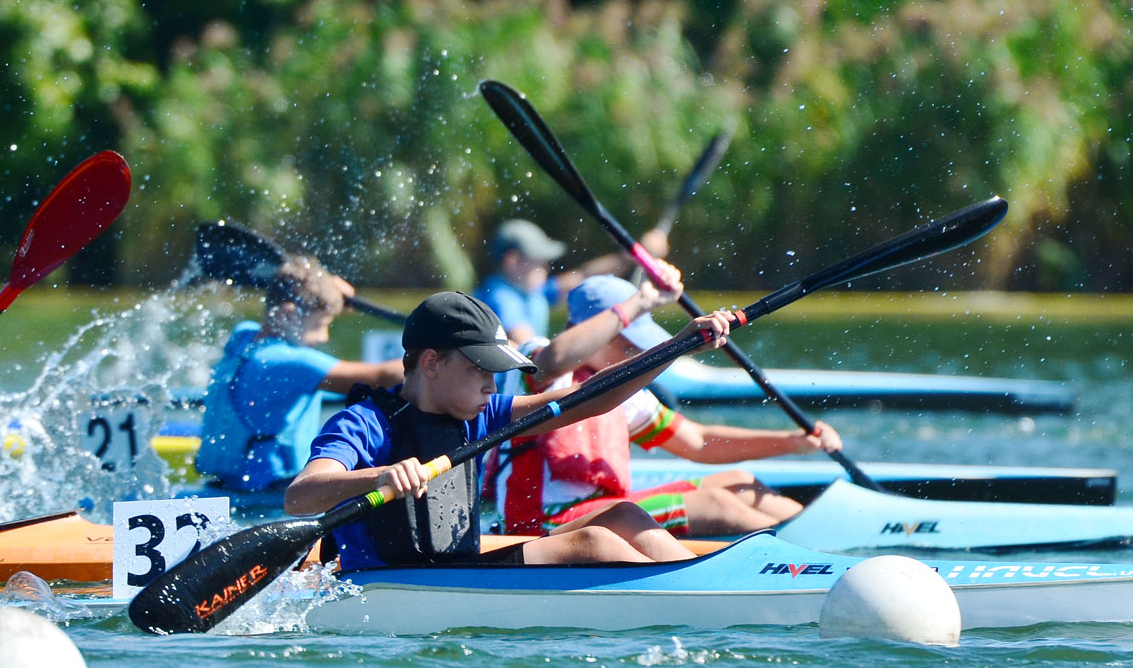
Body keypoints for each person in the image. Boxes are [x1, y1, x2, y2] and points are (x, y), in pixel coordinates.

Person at [283, 291, 735, 572]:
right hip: (393, 580)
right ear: (431, 363)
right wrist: (379, 477)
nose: (491, 385)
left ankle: (714, 587)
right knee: (593, 542)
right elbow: (300, 495)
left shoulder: (481, 412)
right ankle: (691, 598)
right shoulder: (365, 424)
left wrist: (676, 345)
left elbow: (591, 397)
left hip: (456, 562)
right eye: (480, 369)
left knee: (623, 516)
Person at [498, 274, 844, 537]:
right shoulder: (535, 363)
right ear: (597, 331)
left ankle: (824, 542)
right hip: (539, 523)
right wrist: (639, 301)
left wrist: (793, 443)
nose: (638, 354)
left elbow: (698, 441)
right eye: (629, 343)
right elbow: (553, 360)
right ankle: (801, 561)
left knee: (740, 482)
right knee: (716, 505)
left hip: (599, 512)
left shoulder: (623, 392)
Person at [197, 258, 404, 491]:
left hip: (224, 486)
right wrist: (431, 351)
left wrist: (325, 293)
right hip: (268, 497)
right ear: (287, 315)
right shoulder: (289, 363)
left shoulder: (243, 336)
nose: (323, 337)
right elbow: (382, 377)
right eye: (319, 324)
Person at [472, 218, 665, 345]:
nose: (545, 268)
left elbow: (582, 276)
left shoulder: (530, 292)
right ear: (511, 260)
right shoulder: (500, 298)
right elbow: (529, 348)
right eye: (538, 261)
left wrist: (632, 256)